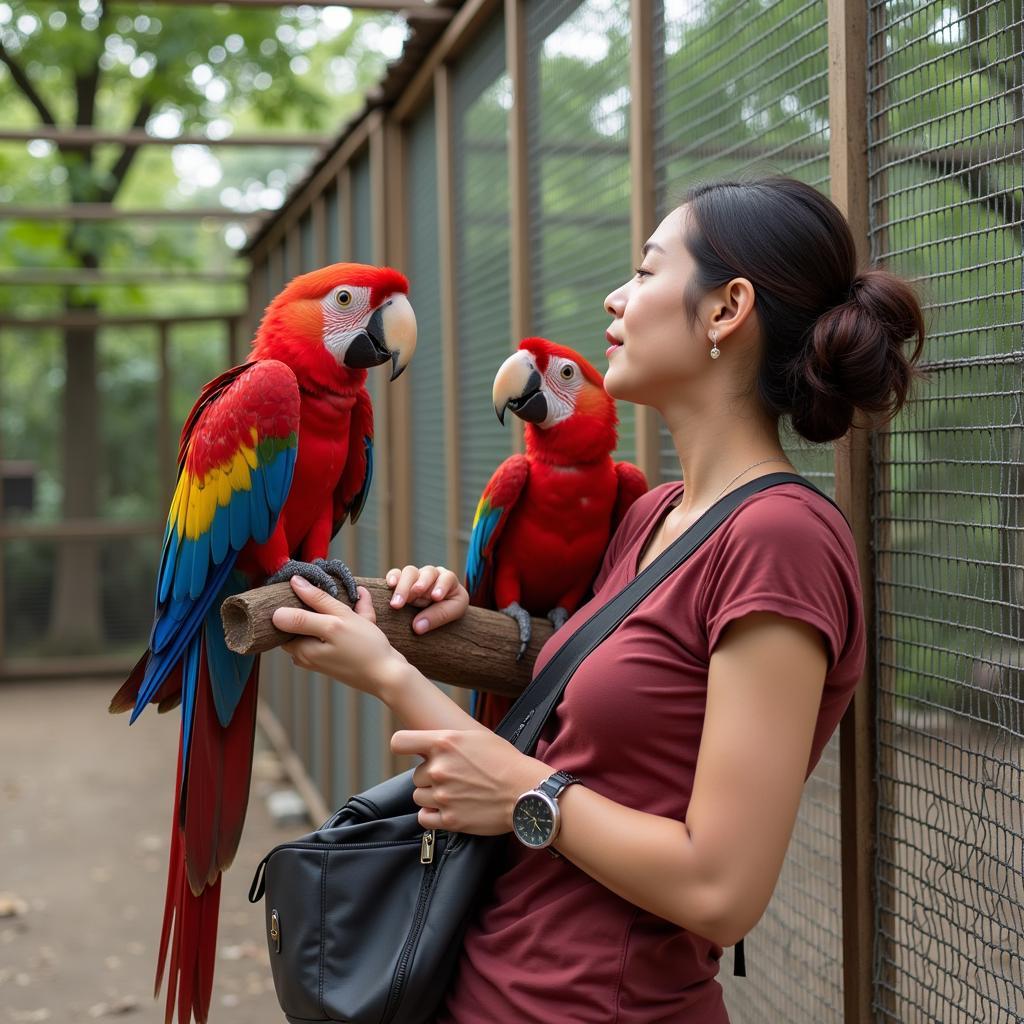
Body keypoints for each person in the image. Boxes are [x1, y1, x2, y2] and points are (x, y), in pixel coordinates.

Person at [271, 176, 925, 1022]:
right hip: (485, 981)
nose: (616, 297)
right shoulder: (650, 513)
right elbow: (574, 731)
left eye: (648, 272)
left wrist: (400, 687)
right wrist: (449, 607)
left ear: (727, 310)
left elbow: (720, 890)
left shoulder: (779, 541)